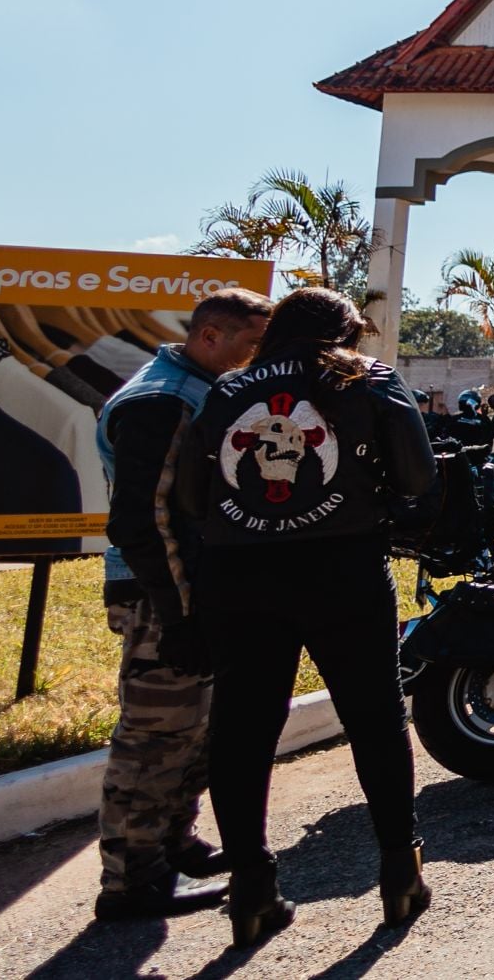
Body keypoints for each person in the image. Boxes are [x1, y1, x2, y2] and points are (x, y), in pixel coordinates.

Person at [174, 287, 439, 947]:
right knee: (375, 719)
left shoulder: (226, 390)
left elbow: (190, 492)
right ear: (344, 331)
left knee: (241, 729)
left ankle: (253, 889)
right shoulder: (368, 379)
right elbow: (416, 475)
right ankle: (399, 871)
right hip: (340, 568)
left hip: (237, 573)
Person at [91, 287, 272, 921]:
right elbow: (145, 520)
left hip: (193, 587)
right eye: (251, 345)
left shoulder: (195, 387)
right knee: (156, 735)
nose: (257, 358)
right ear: (210, 337)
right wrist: (179, 615)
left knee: (195, 727)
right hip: (162, 591)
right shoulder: (162, 401)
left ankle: (172, 843)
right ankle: (131, 879)